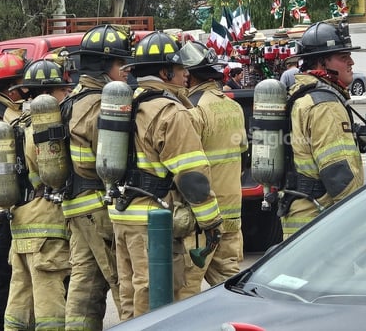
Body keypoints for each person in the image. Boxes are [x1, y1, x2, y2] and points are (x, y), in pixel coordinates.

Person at [111, 32, 223, 320]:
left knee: (129, 300)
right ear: (165, 71)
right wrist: (211, 222)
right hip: (154, 223)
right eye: (180, 68)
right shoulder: (169, 111)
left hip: (122, 216)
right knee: (156, 302)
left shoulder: (126, 102)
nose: (186, 74)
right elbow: (192, 177)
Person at [64, 25, 129, 329]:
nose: (126, 71)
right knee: (121, 281)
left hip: (75, 206)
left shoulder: (72, 98)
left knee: (85, 285)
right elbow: (98, 160)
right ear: (104, 67)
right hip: (96, 205)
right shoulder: (98, 103)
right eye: (121, 65)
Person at [4, 58, 73, 330]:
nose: (65, 94)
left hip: (20, 220)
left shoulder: (16, 124)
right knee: (49, 302)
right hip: (46, 223)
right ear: (49, 92)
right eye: (61, 90)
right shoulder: (45, 130)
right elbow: (56, 175)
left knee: (19, 297)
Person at [177, 41, 247, 299]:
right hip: (232, 217)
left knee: (185, 292)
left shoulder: (191, 111)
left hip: (201, 218)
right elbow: (240, 156)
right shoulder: (234, 107)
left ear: (189, 75)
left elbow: (185, 165)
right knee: (232, 293)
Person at [281, 20, 364, 238]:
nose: (351, 62)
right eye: (343, 57)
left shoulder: (302, 94)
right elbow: (339, 173)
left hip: (301, 217)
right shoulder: (325, 105)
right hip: (321, 224)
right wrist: (360, 232)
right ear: (321, 62)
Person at [0, 50, 28, 331]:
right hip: (2, 209)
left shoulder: (7, 110)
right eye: (20, 83)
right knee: (4, 273)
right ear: (9, 87)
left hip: (11, 205)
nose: (25, 89)